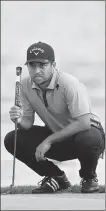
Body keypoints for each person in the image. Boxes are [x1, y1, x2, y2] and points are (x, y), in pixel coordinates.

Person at [4, 41, 105, 194]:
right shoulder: (25, 85)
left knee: (88, 138)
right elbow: (28, 124)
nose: (37, 70)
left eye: (42, 65)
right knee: (12, 139)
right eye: (32, 65)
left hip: (87, 135)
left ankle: (88, 178)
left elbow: (84, 123)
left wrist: (48, 141)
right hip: (59, 137)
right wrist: (18, 120)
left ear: (53, 65)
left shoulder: (69, 83)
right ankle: (57, 177)